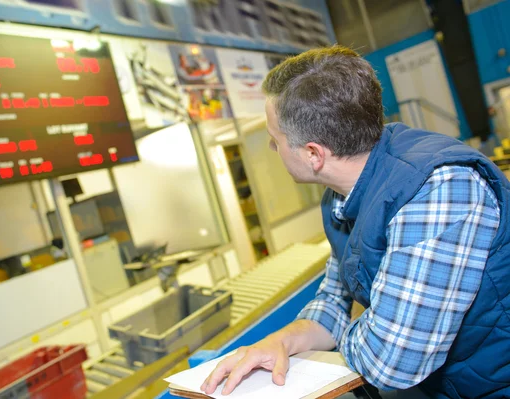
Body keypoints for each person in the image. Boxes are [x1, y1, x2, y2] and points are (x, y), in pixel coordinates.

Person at [201, 45, 510, 398]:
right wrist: (280, 342)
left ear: (313, 154)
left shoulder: (437, 189)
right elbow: (334, 299)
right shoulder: (343, 195)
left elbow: (392, 361)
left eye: (275, 141)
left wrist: (366, 332)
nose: (273, 150)